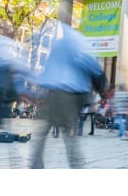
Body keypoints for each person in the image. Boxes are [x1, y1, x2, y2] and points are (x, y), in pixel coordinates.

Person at [31, 21, 107, 168]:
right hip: (68, 97)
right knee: (70, 137)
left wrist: (40, 94)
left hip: (50, 94)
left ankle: (35, 167)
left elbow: (47, 71)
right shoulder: (79, 42)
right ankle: (76, 166)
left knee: (41, 135)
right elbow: (93, 67)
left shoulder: (58, 44)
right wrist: (101, 88)